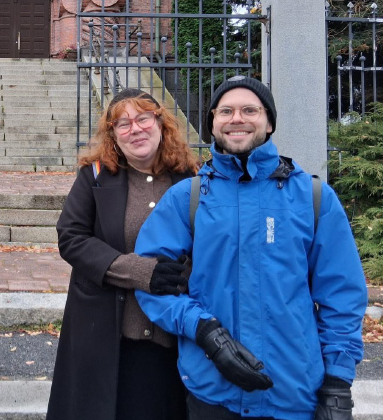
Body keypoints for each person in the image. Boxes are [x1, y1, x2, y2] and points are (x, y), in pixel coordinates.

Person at [135, 75, 368, 420]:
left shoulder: (313, 198)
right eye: (225, 111)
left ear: (269, 121)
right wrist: (204, 329)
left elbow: (342, 295)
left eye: (249, 110)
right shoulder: (187, 198)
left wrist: (337, 383)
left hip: (293, 394)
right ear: (213, 123)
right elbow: (150, 278)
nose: (237, 119)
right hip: (213, 393)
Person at [46, 88, 198, 420]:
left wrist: (185, 273)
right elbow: (71, 237)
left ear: (161, 123)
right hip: (110, 336)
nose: (135, 129)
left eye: (143, 118)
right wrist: (138, 272)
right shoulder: (95, 176)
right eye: (123, 123)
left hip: (175, 337)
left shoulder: (191, 178)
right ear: (113, 134)